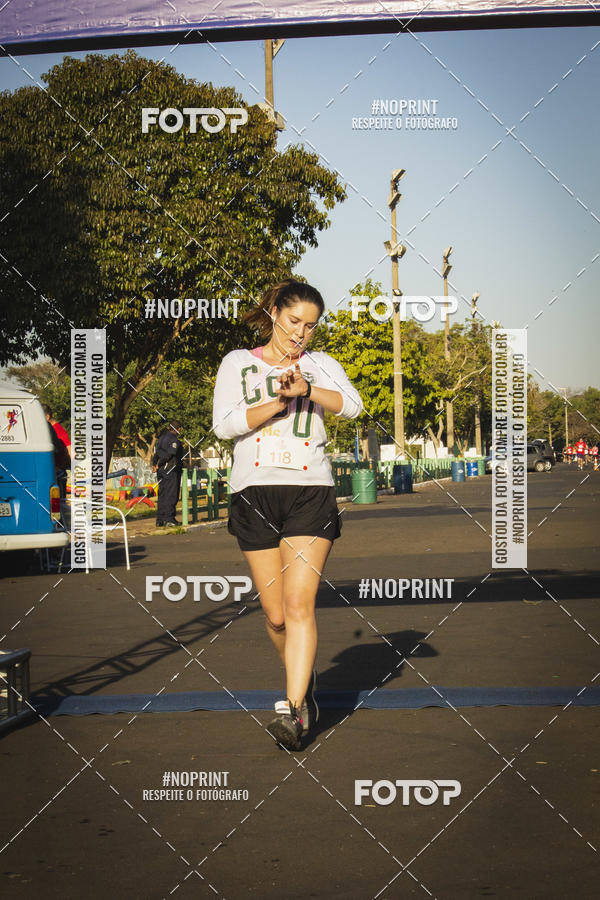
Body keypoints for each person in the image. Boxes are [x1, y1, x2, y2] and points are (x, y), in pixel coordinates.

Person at [212, 279, 363, 751]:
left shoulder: (321, 366)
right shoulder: (239, 362)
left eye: (311, 326)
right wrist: (278, 401)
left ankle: (296, 709)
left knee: (300, 607)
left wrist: (309, 389)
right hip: (254, 493)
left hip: (309, 491)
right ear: (274, 312)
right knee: (276, 617)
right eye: (294, 321)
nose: (301, 334)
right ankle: (303, 679)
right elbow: (223, 425)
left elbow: (353, 406)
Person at [153, 420, 185, 526]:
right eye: (179, 428)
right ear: (177, 428)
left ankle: (160, 519)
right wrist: (160, 463)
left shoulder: (161, 438)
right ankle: (169, 519)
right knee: (171, 494)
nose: (180, 430)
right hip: (170, 469)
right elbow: (170, 455)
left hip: (161, 470)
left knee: (162, 494)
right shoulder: (173, 440)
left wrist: (155, 465)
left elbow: (156, 453)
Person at [43, 405, 72, 499]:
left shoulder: (58, 429)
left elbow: (70, 449)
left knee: (60, 503)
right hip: (54, 470)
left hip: (59, 472)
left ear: (47, 417)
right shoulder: (48, 429)